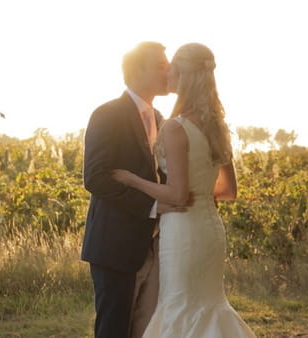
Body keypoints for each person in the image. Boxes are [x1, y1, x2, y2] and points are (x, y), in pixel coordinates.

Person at [112, 43, 256, 337]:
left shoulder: (175, 127)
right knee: (209, 305)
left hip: (183, 231)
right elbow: (228, 190)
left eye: (172, 66)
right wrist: (200, 192)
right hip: (209, 230)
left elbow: (177, 196)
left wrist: (132, 180)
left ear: (183, 75)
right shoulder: (216, 125)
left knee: (181, 307)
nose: (167, 72)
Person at [82, 41, 189, 338]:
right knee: (114, 327)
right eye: (159, 65)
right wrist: (152, 206)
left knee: (145, 326)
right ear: (136, 72)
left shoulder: (159, 119)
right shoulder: (108, 114)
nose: (167, 70)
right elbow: (96, 177)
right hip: (114, 244)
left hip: (155, 243)